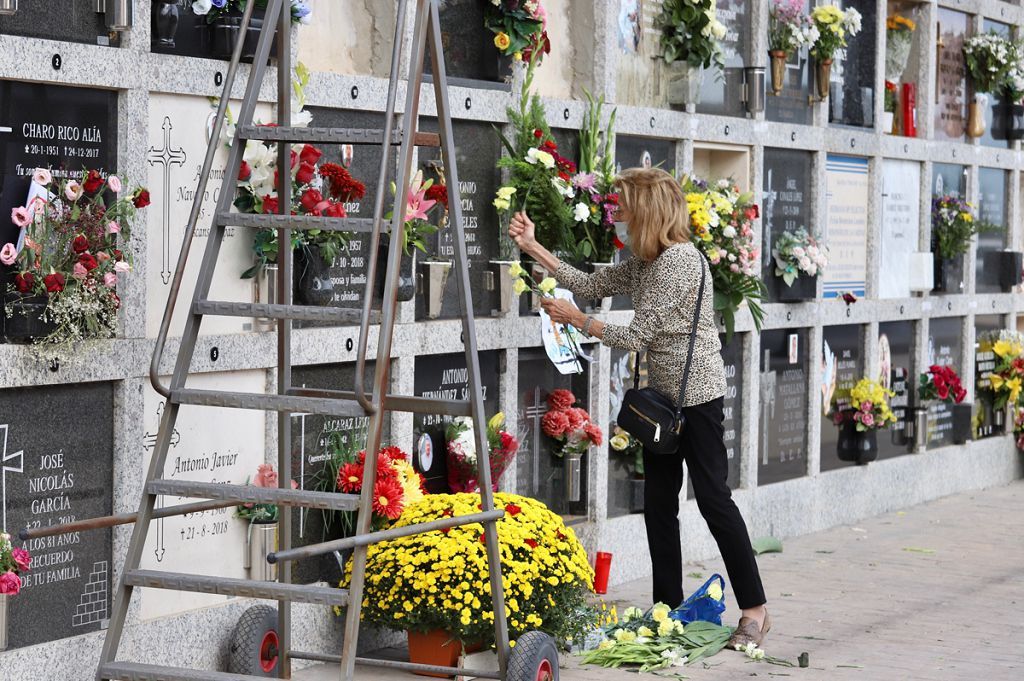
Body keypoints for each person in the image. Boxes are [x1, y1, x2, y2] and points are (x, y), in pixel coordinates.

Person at [508, 167, 770, 650]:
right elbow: (590, 282)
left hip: (699, 400)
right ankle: (667, 610)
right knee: (658, 507)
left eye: (623, 210)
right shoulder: (648, 260)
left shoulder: (679, 263)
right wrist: (534, 248)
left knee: (713, 500)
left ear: (647, 212)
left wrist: (578, 320)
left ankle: (753, 611)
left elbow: (634, 335)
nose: (617, 219)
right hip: (662, 403)